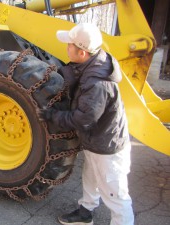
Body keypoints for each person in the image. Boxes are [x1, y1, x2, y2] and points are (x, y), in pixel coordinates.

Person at [37, 23, 134, 225]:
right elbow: (76, 78)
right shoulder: (91, 63)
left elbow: (84, 119)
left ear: (82, 52)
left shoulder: (97, 84)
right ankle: (85, 212)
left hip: (107, 148)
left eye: (69, 45)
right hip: (95, 142)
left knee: (116, 195)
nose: (66, 48)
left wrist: (52, 115)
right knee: (90, 179)